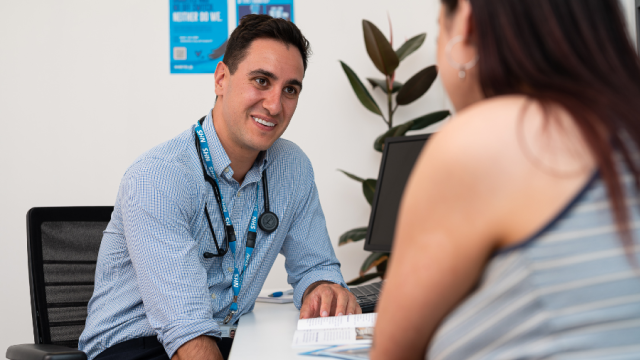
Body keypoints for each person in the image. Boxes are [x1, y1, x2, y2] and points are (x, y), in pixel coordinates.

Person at [79, 14, 360, 360]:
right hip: (134, 347)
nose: (275, 105)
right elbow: (187, 334)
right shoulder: (158, 178)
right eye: (261, 81)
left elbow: (315, 266)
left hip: (225, 337)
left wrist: (324, 288)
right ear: (221, 79)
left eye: (290, 89)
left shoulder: (292, 167)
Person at [371, 0, 640, 359]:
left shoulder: (484, 139)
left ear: (465, 20)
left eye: (440, 30)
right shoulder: (626, 130)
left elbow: (392, 354)